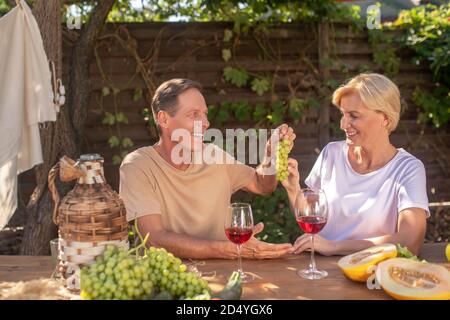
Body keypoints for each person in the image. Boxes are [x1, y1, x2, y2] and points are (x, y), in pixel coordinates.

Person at [119, 78, 295, 259]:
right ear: (164, 119)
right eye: (194, 114)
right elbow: (153, 239)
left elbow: (262, 185)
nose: (205, 123)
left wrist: (271, 155)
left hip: (225, 274)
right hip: (168, 277)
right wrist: (228, 250)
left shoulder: (214, 155)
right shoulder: (138, 165)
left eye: (205, 114)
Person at [282, 73, 429, 256]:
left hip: (370, 273)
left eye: (354, 116)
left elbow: (410, 242)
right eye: (343, 114)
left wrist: (334, 247)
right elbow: (311, 215)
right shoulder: (332, 153)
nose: (343, 124)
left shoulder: (408, 169)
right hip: (320, 269)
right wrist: (293, 188)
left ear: (385, 118)